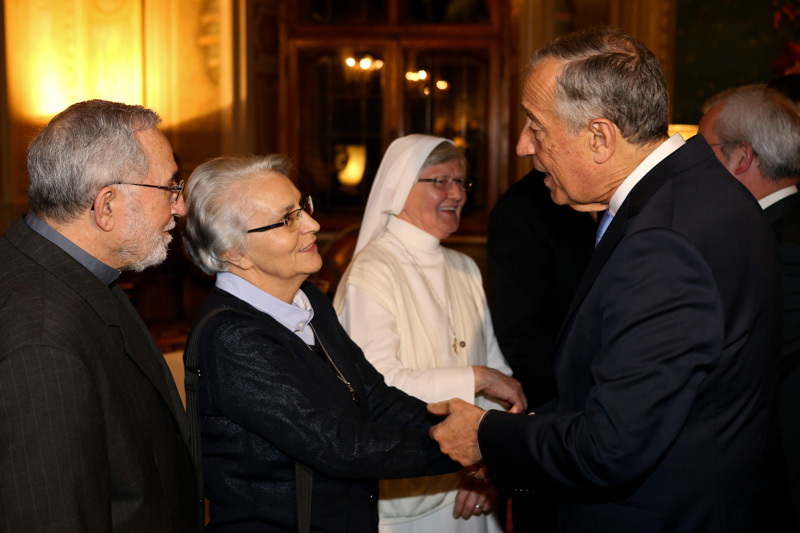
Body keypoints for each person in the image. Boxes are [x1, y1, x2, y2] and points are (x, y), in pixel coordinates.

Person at [429, 28, 790, 532]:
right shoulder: (700, 192)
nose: (522, 145)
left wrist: (487, 436)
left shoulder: (665, 240)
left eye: (536, 126)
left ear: (600, 137)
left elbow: (613, 446)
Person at [180, 154, 458, 532]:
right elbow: (338, 446)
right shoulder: (232, 338)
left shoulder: (308, 299)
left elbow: (374, 397)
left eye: (302, 207)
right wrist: (456, 447)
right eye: (287, 219)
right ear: (234, 252)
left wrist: (458, 426)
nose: (313, 224)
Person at [0, 100, 201, 532]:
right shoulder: (43, 344)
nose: (180, 207)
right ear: (106, 205)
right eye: (170, 187)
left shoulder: (76, 269)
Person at [333, 134, 526, 533]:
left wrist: (487, 466)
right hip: (407, 500)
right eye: (440, 181)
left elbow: (500, 374)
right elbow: (376, 389)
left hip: (471, 491)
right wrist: (476, 378)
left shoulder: (464, 267)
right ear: (400, 187)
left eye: (461, 182)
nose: (456, 193)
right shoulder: (373, 270)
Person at [698, 83, 800, 529]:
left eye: (702, 152)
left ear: (741, 158)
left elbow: (731, 364)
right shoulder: (766, 233)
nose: (692, 166)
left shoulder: (781, 247)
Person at [487, 168, 595, 532]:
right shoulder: (522, 209)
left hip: (608, 419)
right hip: (553, 419)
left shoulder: (621, 201)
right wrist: (596, 380)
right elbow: (520, 336)